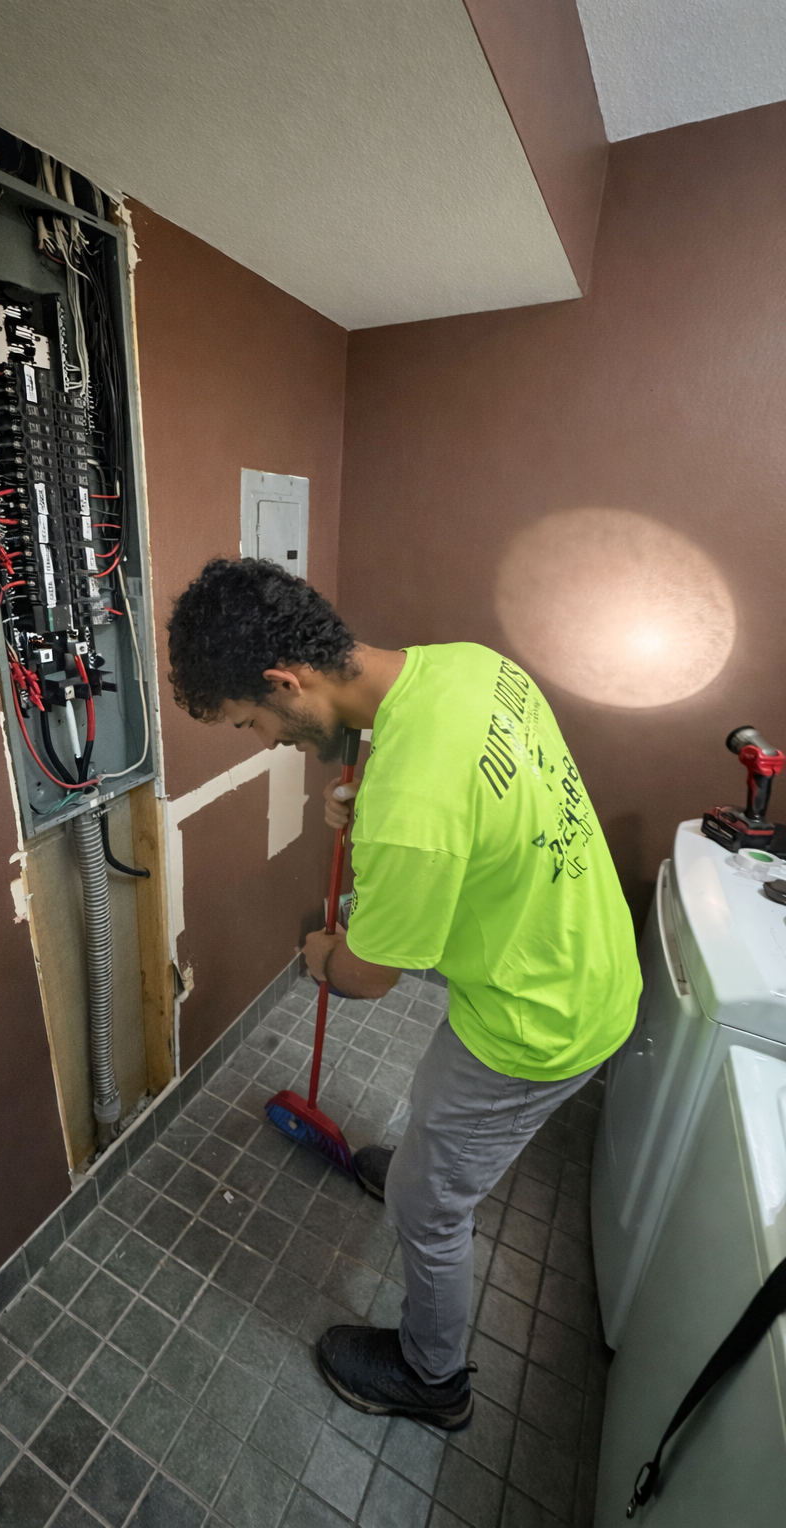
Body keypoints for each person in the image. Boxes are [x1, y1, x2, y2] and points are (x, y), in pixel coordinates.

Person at [167, 558, 641, 1430]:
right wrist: (373, 793)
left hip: (537, 1022)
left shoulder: (409, 813)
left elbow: (368, 978)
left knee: (432, 1208)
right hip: (575, 948)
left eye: (251, 721)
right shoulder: (465, 666)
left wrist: (318, 954)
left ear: (285, 680)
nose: (263, 740)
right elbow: (455, 791)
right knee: (435, 1103)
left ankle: (434, 1380)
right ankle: (418, 1168)